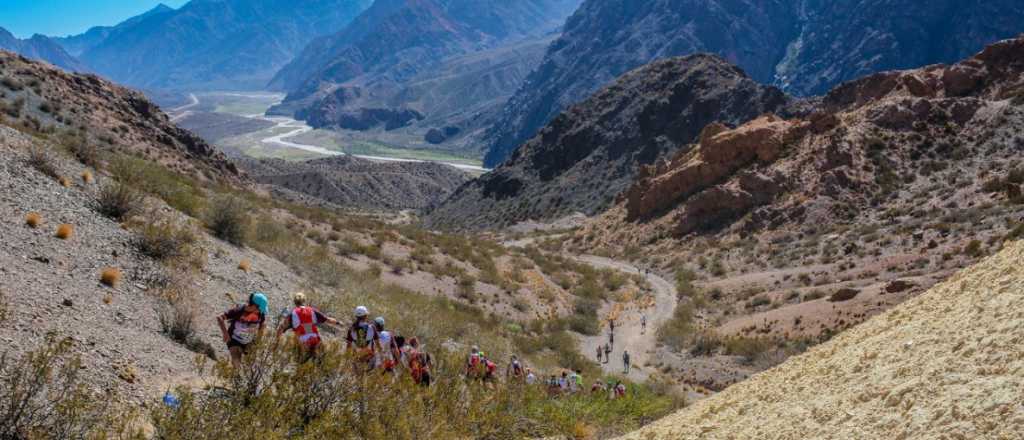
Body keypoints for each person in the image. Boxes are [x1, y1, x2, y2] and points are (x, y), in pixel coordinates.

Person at [277, 292, 341, 359]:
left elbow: (281, 328)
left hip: (302, 343)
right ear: (304, 301)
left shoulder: (292, 314)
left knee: (301, 362)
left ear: (295, 302)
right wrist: (338, 323)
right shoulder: (311, 310)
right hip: (316, 340)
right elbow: (328, 319)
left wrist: (277, 342)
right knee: (320, 361)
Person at [217, 292, 268, 369]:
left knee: (252, 365)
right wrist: (225, 333)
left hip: (249, 341)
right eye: (260, 309)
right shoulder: (239, 310)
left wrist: (258, 341)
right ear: (254, 306)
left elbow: (262, 325)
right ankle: (235, 373)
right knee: (236, 362)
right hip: (234, 340)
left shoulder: (260, 314)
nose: (261, 311)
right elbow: (220, 318)